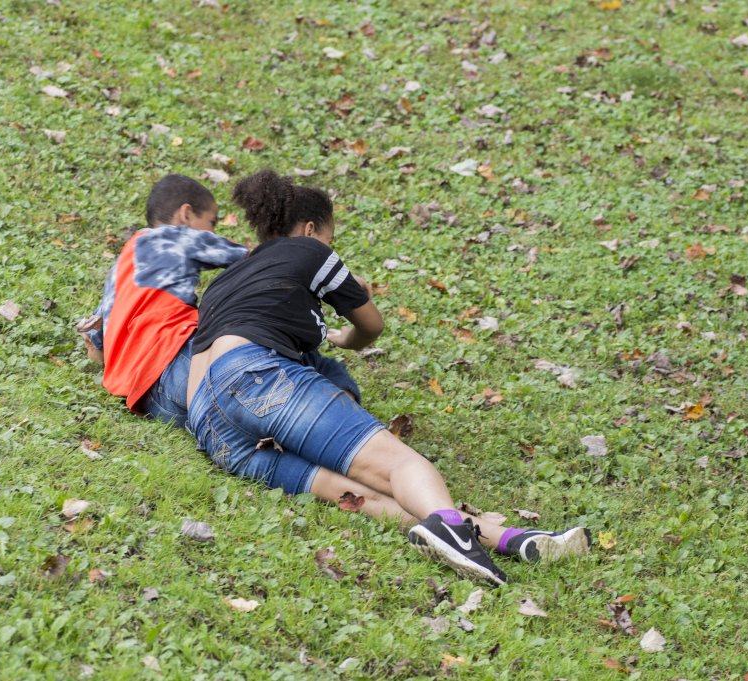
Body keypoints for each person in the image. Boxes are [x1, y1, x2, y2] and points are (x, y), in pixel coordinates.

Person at [185, 170, 590, 585]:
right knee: (401, 464)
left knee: (359, 489)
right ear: (309, 230)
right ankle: (451, 529)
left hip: (209, 422)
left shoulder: (223, 283)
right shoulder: (308, 250)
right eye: (329, 238)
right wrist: (347, 335)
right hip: (256, 375)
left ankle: (511, 539)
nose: (328, 247)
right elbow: (370, 327)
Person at [77, 173, 361, 427]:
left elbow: (96, 336)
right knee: (312, 362)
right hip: (178, 364)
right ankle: (342, 413)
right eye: (211, 223)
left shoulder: (124, 263)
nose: (212, 232)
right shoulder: (176, 237)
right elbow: (257, 261)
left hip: (151, 400)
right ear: (186, 215)